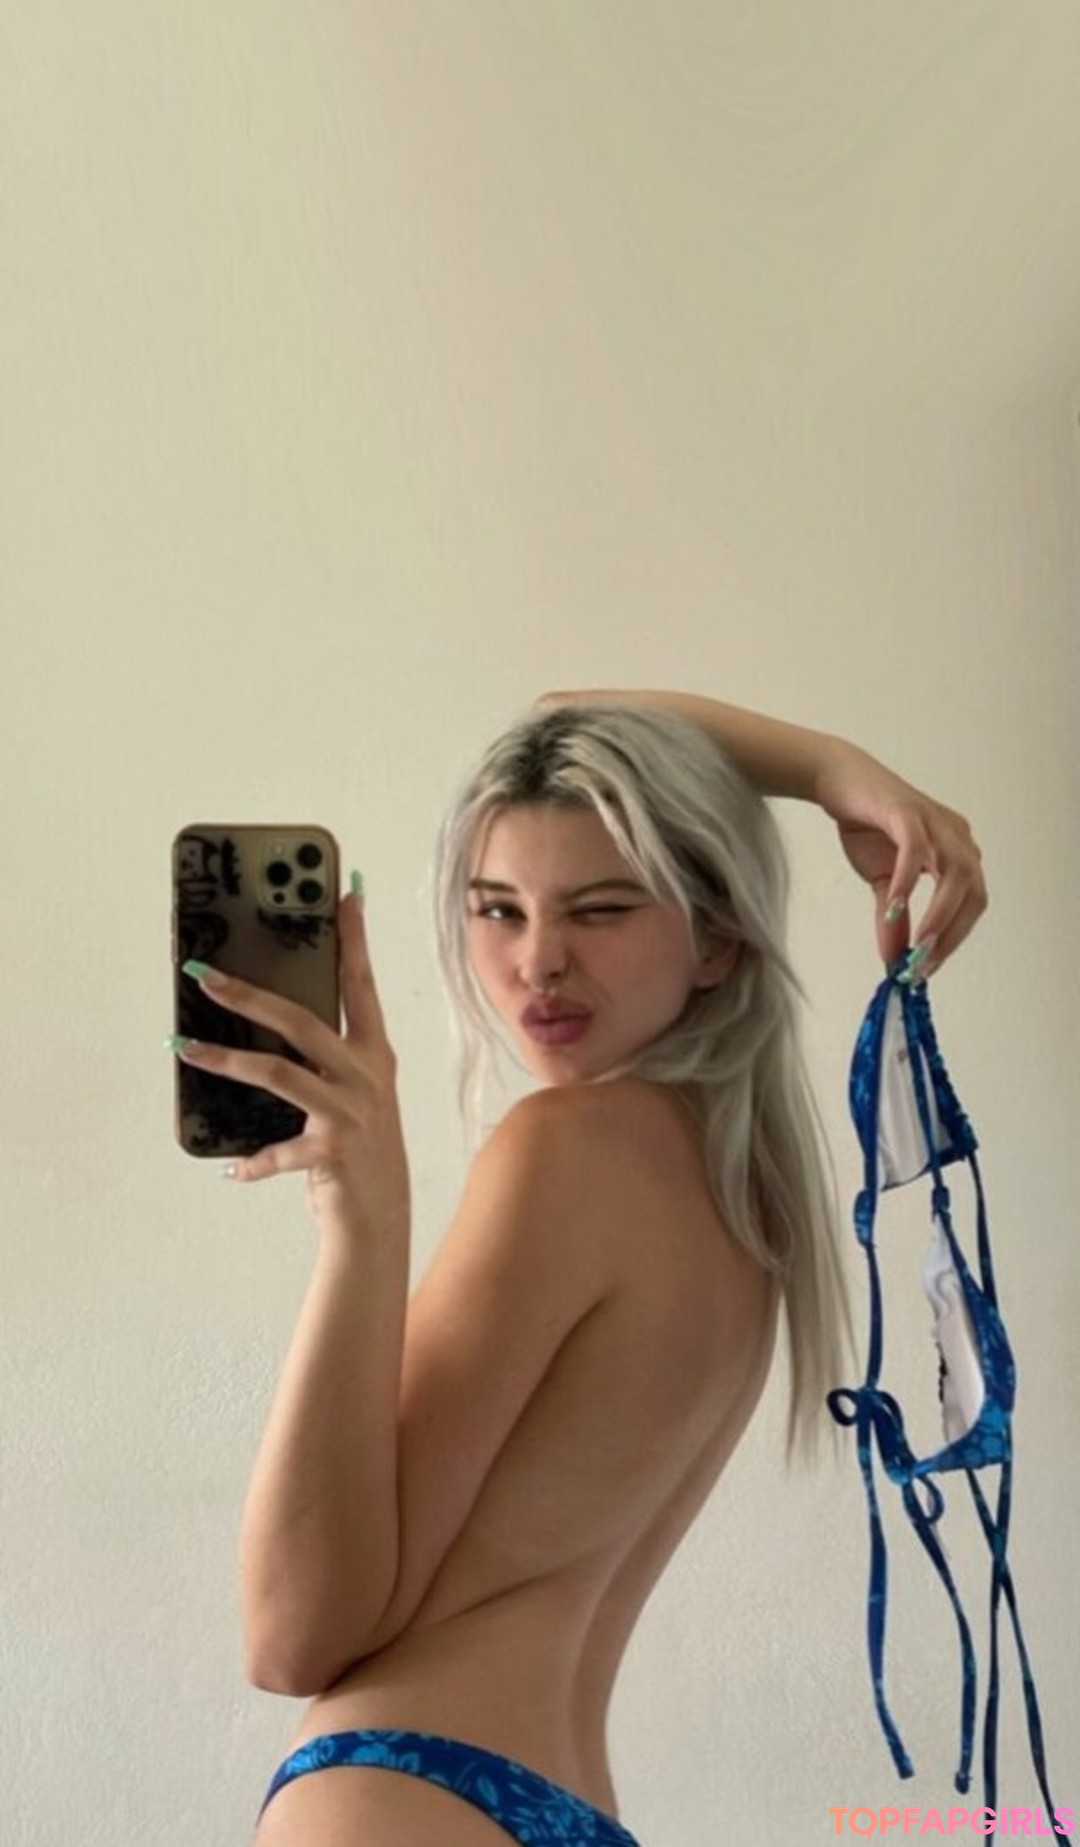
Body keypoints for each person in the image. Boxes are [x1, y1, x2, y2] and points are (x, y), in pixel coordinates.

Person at [174, 690, 986, 1846]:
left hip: (405, 1792)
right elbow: (560, 714)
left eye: (600, 909)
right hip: (568, 1804)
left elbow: (293, 1634)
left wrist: (364, 1223)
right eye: (496, 908)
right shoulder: (743, 1191)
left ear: (718, 936)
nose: (537, 960)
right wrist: (828, 768)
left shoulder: (565, 1153)